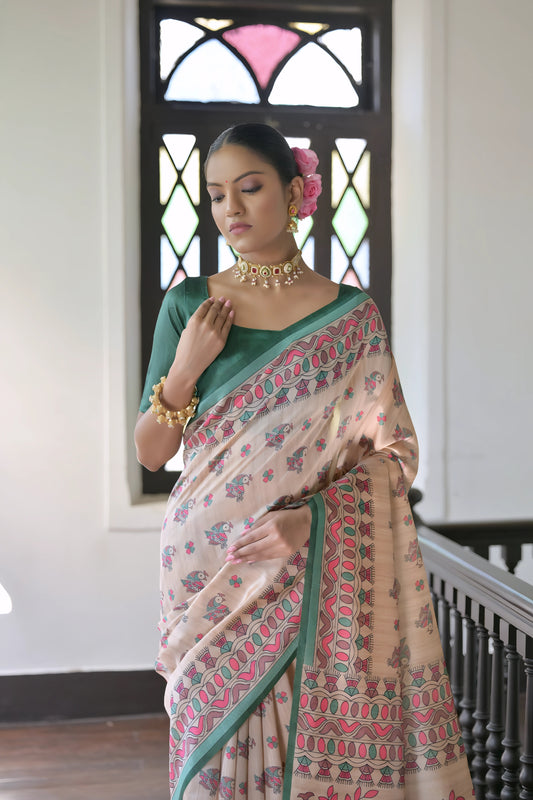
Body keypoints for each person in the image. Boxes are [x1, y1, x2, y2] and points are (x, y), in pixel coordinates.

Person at [135, 123, 474, 800]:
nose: (230, 208)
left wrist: (310, 521)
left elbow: (395, 455)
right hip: (209, 564)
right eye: (215, 194)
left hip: (308, 561)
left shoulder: (351, 317)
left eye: (250, 187)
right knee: (212, 748)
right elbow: (150, 451)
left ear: (294, 192)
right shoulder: (189, 306)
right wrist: (183, 369)